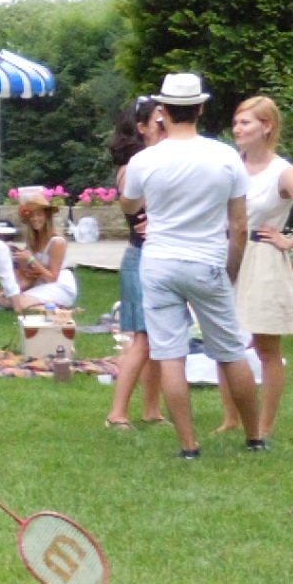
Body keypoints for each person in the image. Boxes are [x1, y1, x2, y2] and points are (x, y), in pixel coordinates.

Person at [119, 73, 260, 456]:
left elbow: (129, 205)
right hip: (207, 261)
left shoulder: (144, 160)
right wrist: (231, 269)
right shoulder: (226, 156)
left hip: (159, 262)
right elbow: (240, 226)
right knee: (230, 349)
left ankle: (188, 445)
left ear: (162, 112)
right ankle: (254, 437)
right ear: (200, 108)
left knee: (169, 354)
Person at [213, 93, 293, 442]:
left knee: (266, 347)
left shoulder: (281, 170)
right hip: (228, 252)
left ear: (266, 127)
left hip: (263, 258)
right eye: (236, 121)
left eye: (245, 122)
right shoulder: (230, 165)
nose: (237, 128)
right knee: (225, 339)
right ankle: (230, 419)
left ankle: (264, 425)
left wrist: (292, 240)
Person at [105, 98, 165, 431]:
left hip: (157, 255)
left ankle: (152, 409)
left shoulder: (160, 162)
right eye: (158, 121)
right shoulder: (134, 168)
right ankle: (117, 413)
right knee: (142, 339)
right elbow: (139, 217)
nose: (164, 126)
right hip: (141, 257)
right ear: (140, 128)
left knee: (157, 338)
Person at [7, 187, 79, 310]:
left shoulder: (57, 242)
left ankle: (56, 308)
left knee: (18, 302)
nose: (35, 219)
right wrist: (17, 256)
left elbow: (52, 277)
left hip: (59, 285)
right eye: (32, 216)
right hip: (42, 284)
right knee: (3, 298)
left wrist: (31, 260)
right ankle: (48, 307)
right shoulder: (32, 241)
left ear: (46, 217)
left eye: (39, 214)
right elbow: (31, 272)